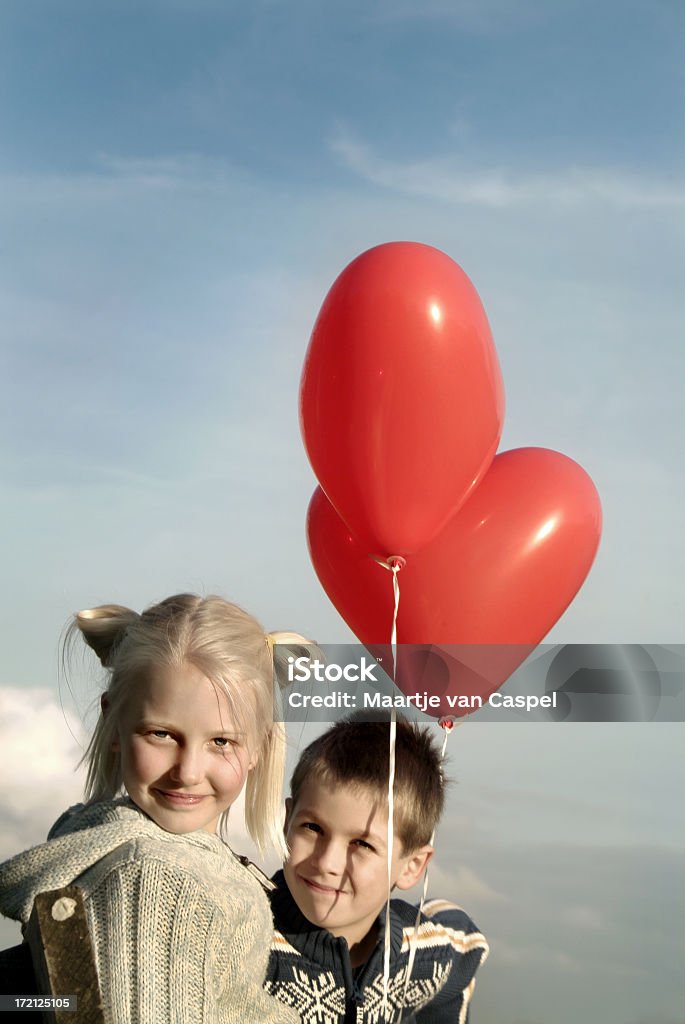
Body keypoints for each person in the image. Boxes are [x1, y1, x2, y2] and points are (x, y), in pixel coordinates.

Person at [0, 593, 306, 1023]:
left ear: (259, 745)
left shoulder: (148, 856)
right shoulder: (158, 880)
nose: (188, 771)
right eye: (162, 734)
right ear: (114, 723)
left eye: (221, 742)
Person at [265, 717, 488, 1022]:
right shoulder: (247, 941)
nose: (327, 862)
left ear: (412, 867)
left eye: (362, 844)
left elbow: (465, 943)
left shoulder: (430, 951)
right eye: (313, 827)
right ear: (287, 821)